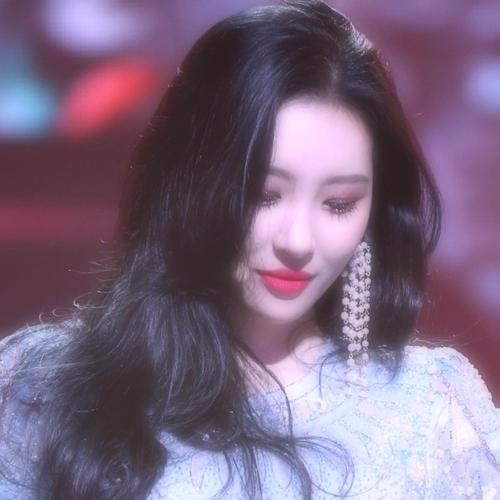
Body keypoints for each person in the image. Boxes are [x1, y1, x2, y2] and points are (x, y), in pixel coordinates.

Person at [1, 1, 499, 498]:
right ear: (192, 183)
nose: (297, 242)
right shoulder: (44, 387)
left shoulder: (429, 413)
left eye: (339, 204)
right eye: (264, 195)